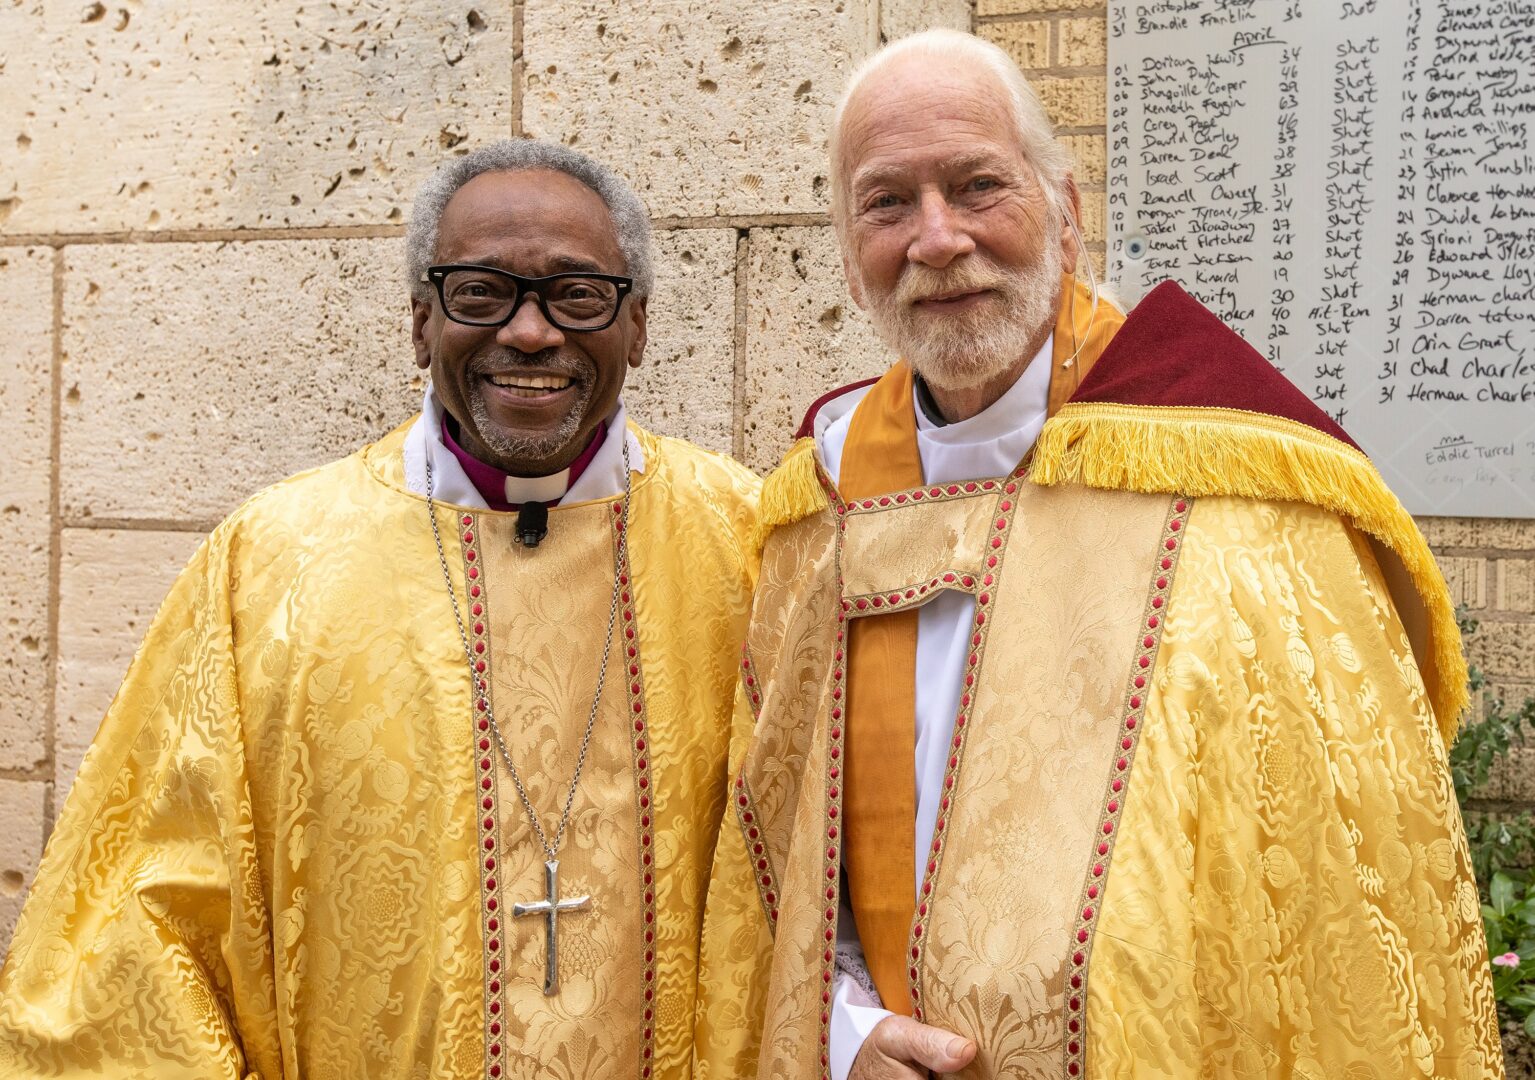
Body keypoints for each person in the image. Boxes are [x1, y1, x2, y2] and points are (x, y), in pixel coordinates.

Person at [694, 28, 1503, 1080]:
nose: (936, 238)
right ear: (850, 261)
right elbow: (780, 852)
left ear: (1066, 214)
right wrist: (845, 1035)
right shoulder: (822, 506)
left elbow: (1322, 888)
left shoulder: (1236, 489)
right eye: (886, 203)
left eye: (977, 185)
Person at [0, 139, 761, 1079]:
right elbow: (141, 919)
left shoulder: (748, 544)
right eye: (479, 292)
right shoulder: (273, 562)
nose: (530, 332)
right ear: (420, 322)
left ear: (636, 325)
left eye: (576, 294)